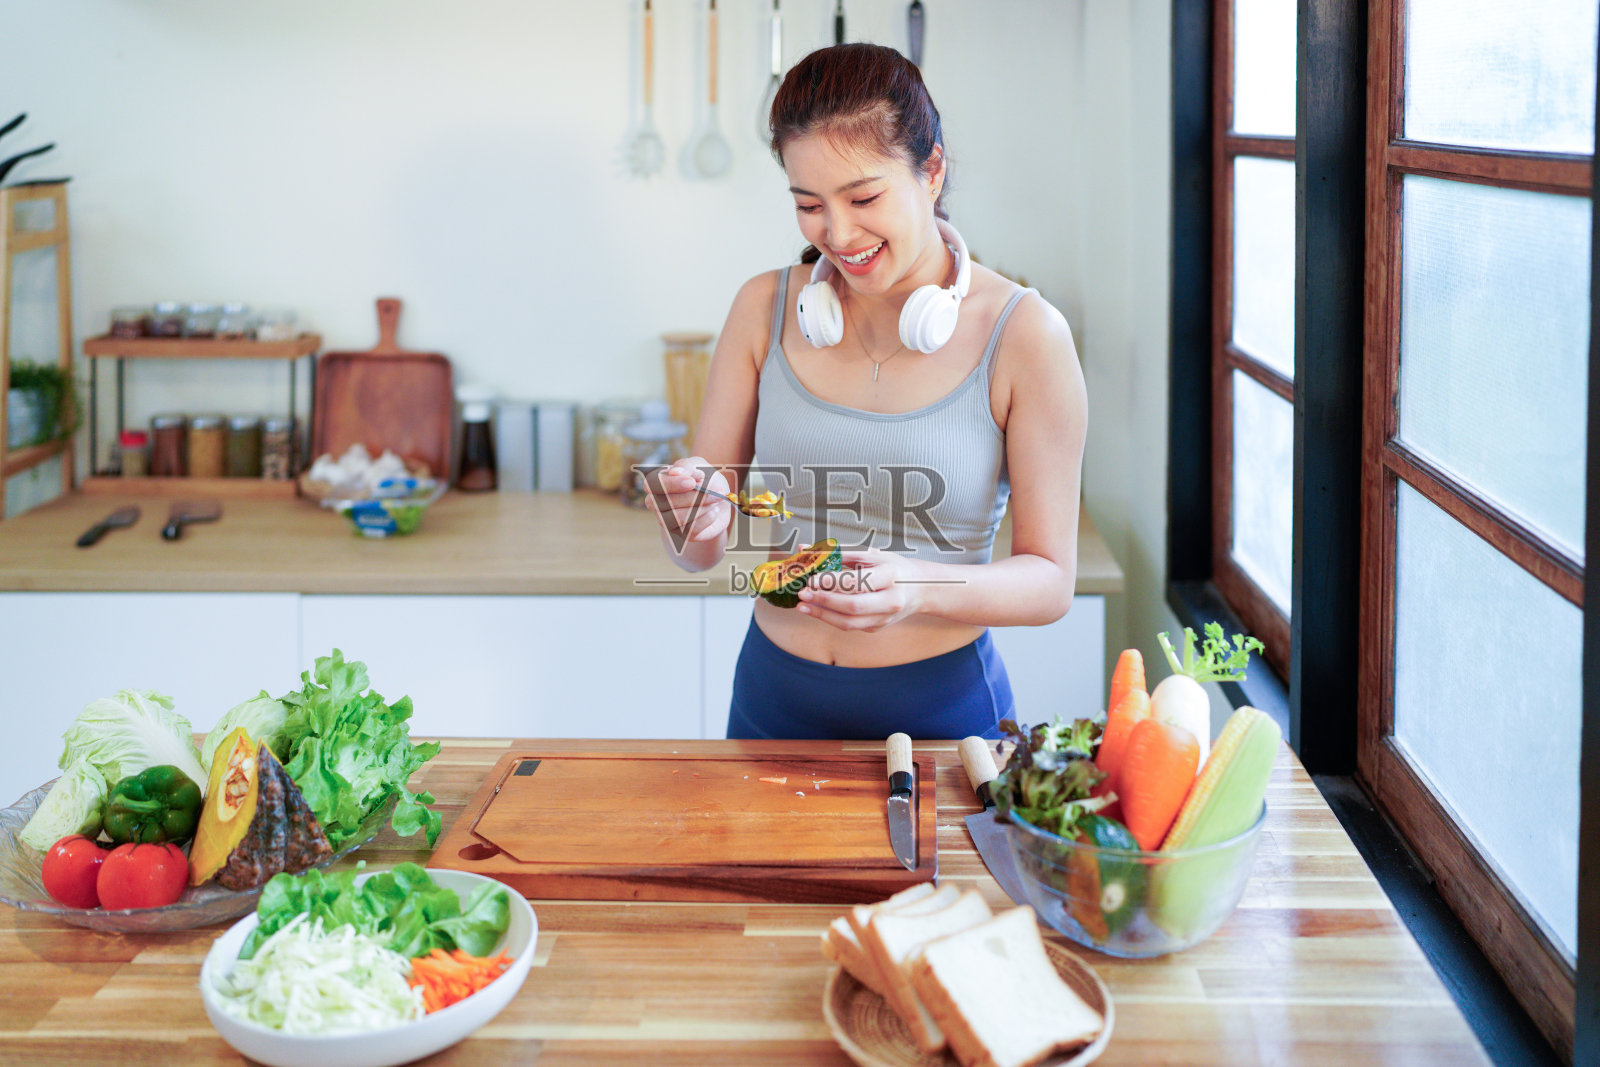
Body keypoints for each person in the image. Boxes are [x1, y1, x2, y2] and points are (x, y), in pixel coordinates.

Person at [648, 43, 1087, 741]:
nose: (840, 234)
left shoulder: (1026, 334)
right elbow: (699, 548)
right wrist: (691, 518)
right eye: (809, 205)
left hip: (943, 712)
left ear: (932, 170)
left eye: (865, 197)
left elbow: (1050, 581)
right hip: (771, 695)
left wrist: (918, 586)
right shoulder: (762, 308)